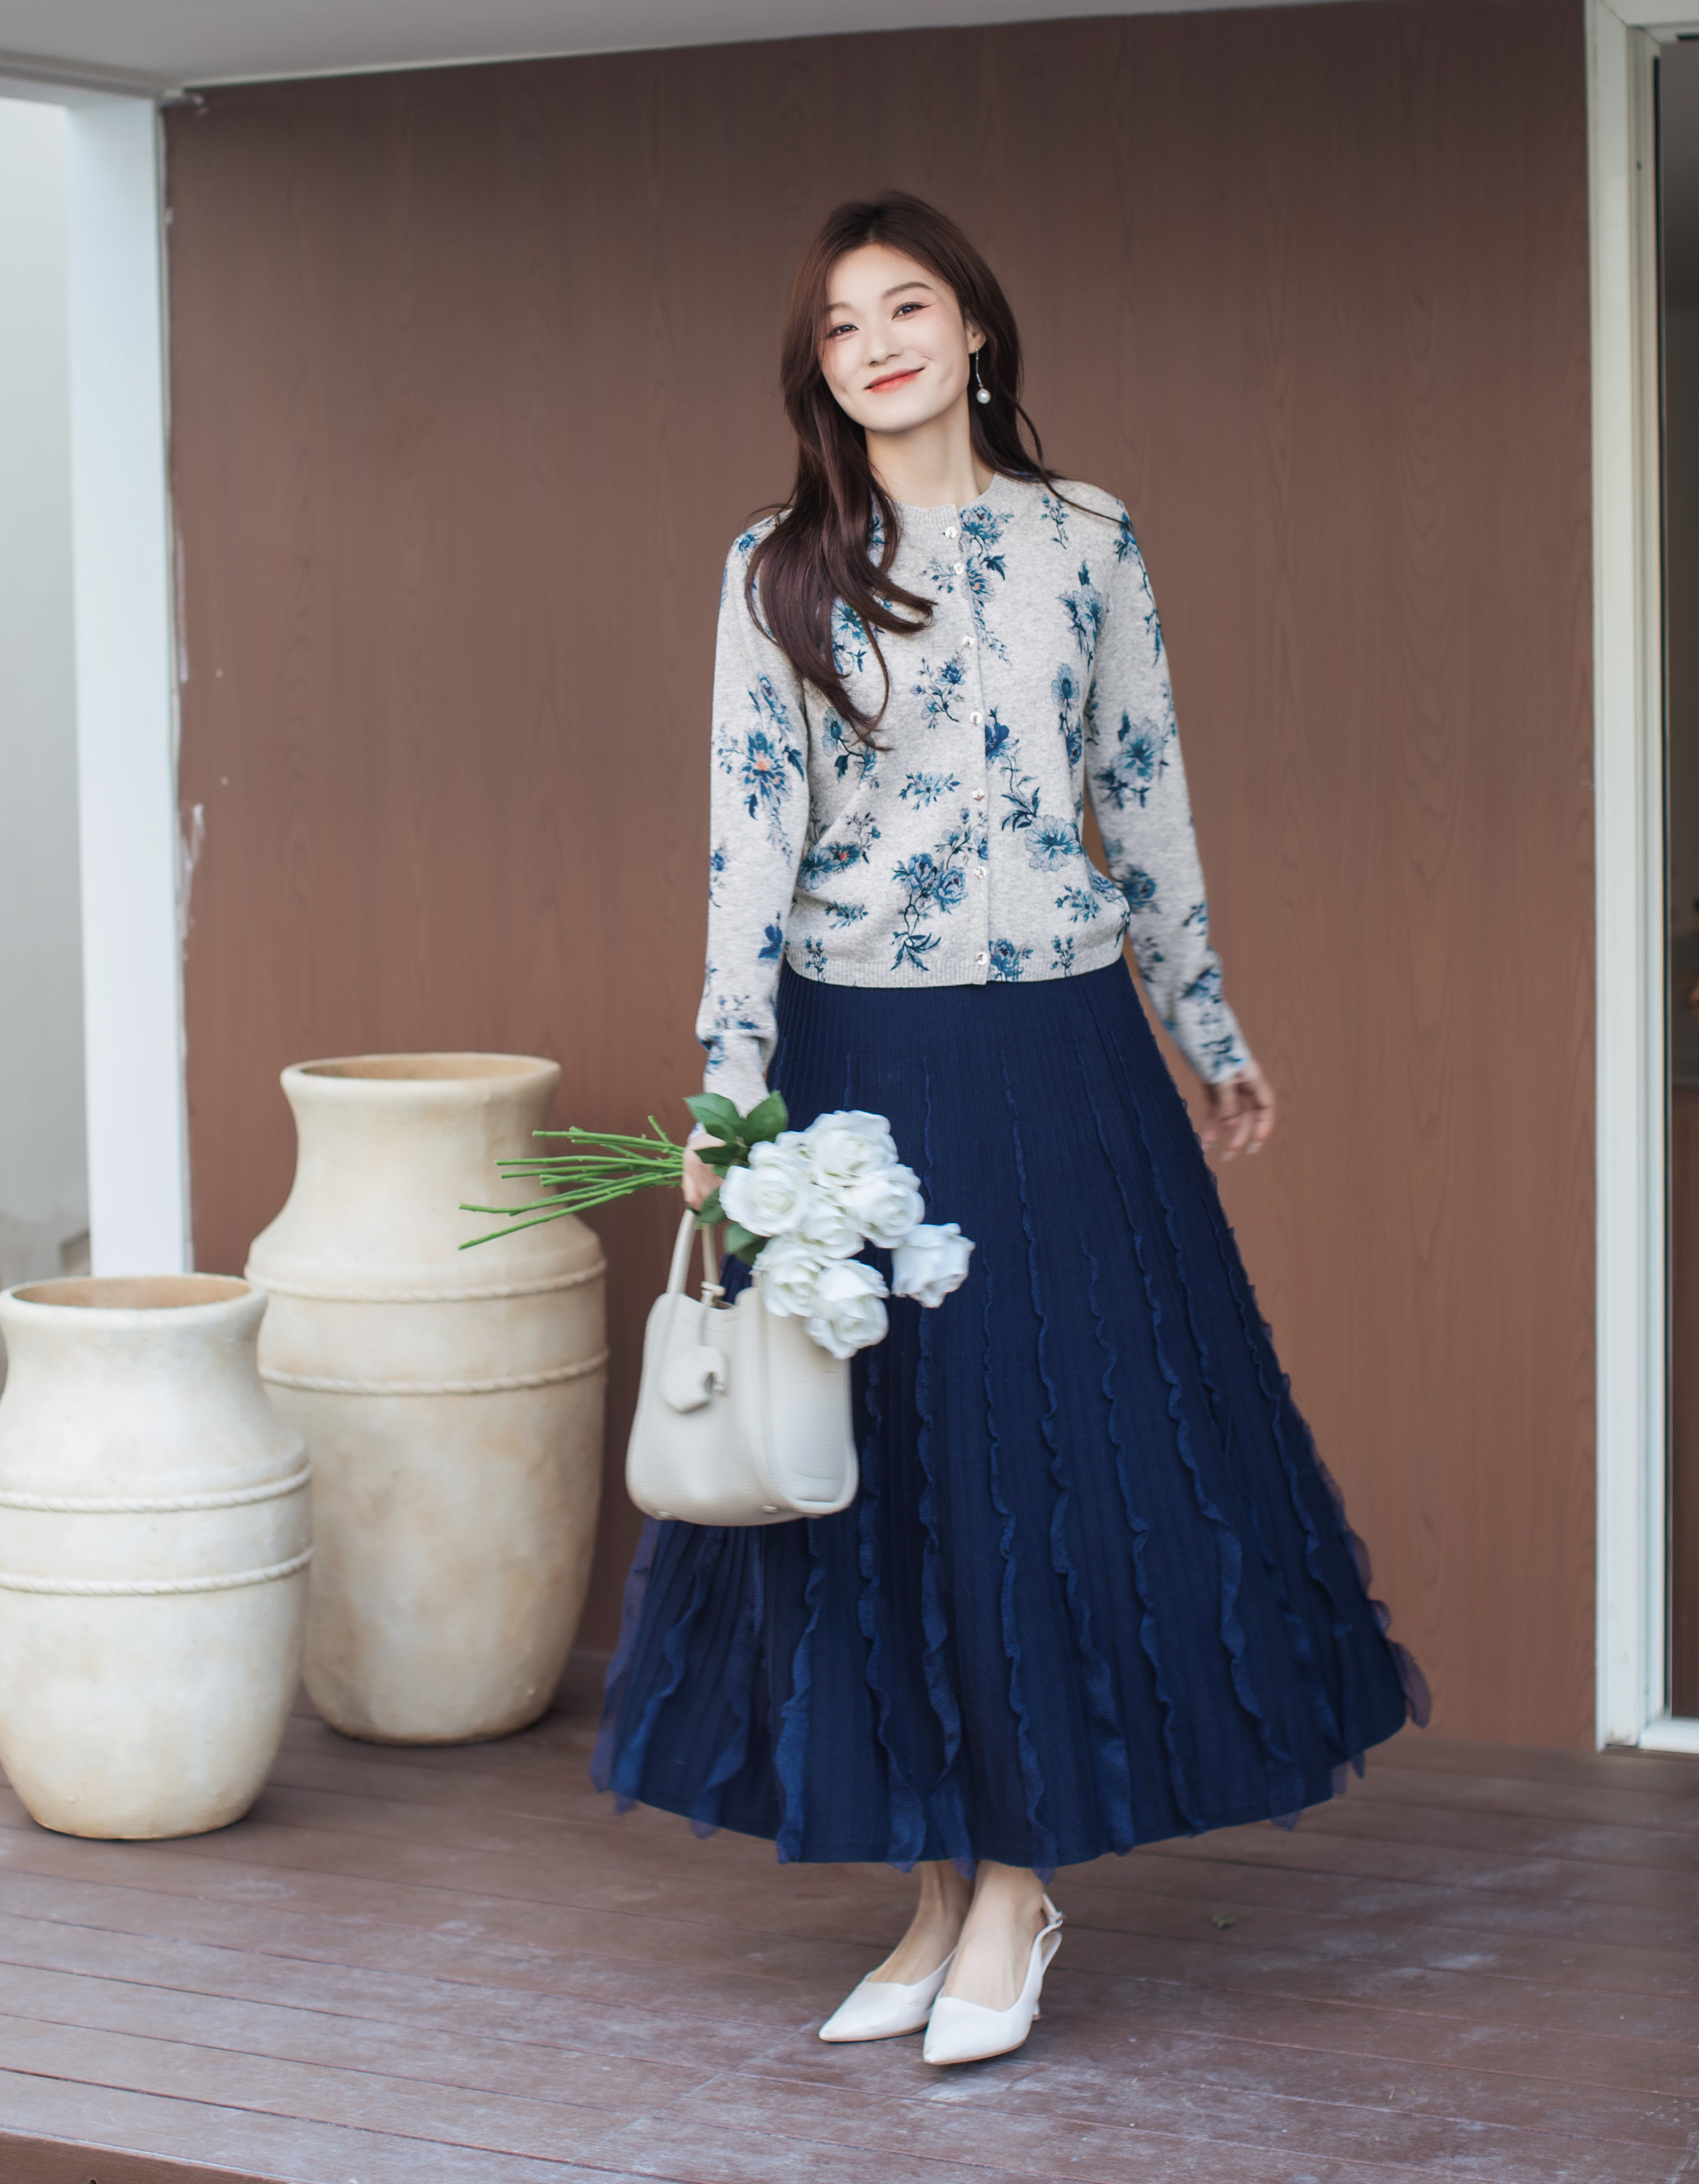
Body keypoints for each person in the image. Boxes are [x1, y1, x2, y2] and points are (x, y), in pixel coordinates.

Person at [592, 192, 1423, 2070]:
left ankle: (1022, 1883)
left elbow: (1145, 791)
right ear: (818, 370)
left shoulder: (1087, 541)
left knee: (1052, 1454)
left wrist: (1207, 1030)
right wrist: (728, 1088)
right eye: (840, 325)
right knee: (886, 1466)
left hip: (1059, 1049)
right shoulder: (774, 568)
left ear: (974, 329)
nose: (877, 343)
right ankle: (932, 1889)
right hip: (853, 1055)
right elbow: (747, 838)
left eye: (908, 307)